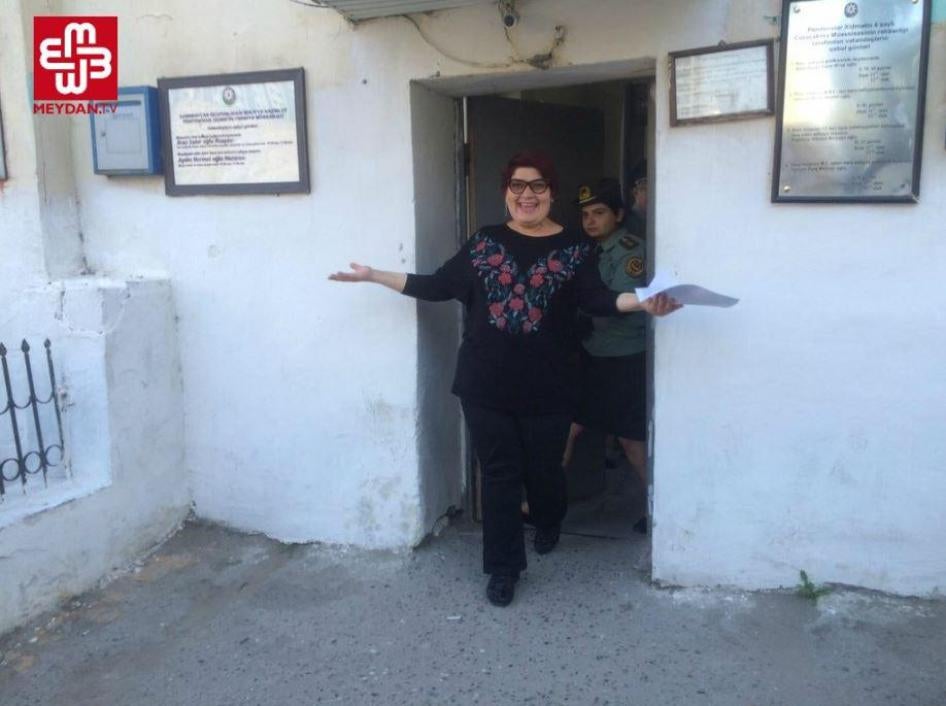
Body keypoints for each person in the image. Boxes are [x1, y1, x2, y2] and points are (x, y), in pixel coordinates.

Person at [329, 152, 680, 607]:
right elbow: (438, 286)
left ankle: (550, 519)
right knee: (498, 476)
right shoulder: (484, 243)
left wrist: (646, 301)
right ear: (506, 194)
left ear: (551, 193)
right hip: (484, 385)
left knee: (545, 473)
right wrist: (375, 275)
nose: (526, 195)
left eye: (537, 186)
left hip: (550, 388)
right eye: (517, 186)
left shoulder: (577, 247)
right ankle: (503, 568)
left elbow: (598, 300)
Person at [563, 178, 651, 533]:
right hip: (593, 356)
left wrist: (579, 316)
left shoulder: (631, 251)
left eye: (599, 213)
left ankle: (661, 511)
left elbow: (620, 304)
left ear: (618, 214)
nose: (590, 221)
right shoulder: (586, 250)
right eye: (585, 214)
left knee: (631, 440)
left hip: (623, 358)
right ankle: (539, 504)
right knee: (566, 428)